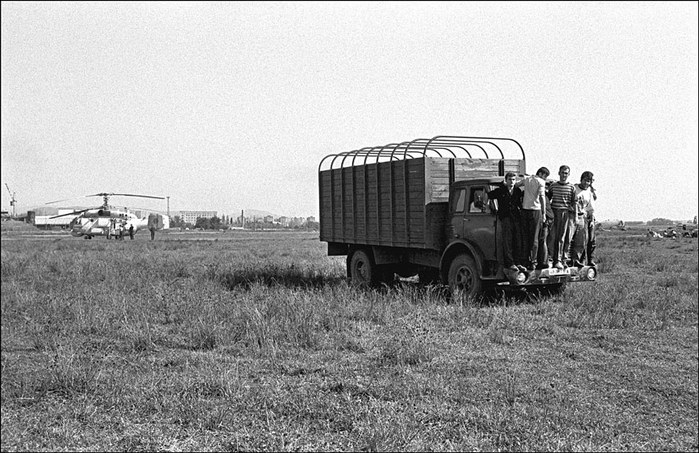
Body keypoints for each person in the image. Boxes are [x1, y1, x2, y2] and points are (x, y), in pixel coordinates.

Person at [488, 172, 524, 272]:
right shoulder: (500, 191)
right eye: (509, 179)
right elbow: (488, 196)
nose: (511, 182)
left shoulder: (517, 191)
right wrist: (489, 206)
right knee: (507, 241)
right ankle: (510, 263)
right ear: (506, 180)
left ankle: (518, 262)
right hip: (505, 217)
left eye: (513, 180)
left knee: (517, 241)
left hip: (516, 217)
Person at [516, 167, 549, 270]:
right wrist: (544, 214)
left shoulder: (527, 179)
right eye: (545, 176)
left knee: (525, 237)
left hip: (525, 209)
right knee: (534, 238)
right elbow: (542, 197)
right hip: (535, 210)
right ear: (542, 174)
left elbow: (517, 185)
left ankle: (524, 260)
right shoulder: (541, 182)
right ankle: (533, 261)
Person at [548, 165, 576, 269]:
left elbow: (574, 202)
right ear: (559, 173)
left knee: (562, 238)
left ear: (568, 174)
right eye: (562, 172)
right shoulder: (553, 186)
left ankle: (560, 260)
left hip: (565, 213)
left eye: (566, 173)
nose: (564, 175)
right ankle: (550, 259)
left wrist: (574, 215)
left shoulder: (571, 187)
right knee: (552, 237)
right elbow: (548, 199)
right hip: (554, 212)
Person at [571, 171, 595, 267]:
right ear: (581, 179)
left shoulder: (589, 192)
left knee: (581, 240)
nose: (586, 183)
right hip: (572, 216)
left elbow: (591, 208)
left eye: (588, 181)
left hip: (582, 217)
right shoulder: (573, 188)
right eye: (585, 180)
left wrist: (592, 220)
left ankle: (576, 260)